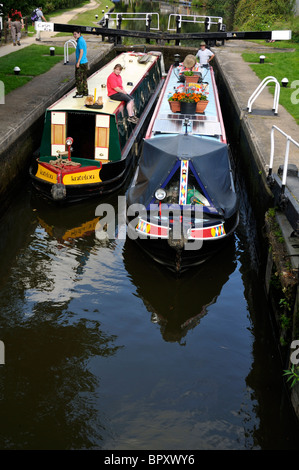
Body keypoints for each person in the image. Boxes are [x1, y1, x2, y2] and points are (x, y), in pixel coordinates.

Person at [73, 28, 89, 98]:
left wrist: (78, 62)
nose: (74, 36)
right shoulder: (82, 40)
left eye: (75, 34)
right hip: (85, 62)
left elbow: (81, 52)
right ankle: (85, 92)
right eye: (73, 34)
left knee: (79, 78)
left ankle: (80, 93)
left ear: (79, 33)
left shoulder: (80, 41)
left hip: (81, 62)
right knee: (84, 78)